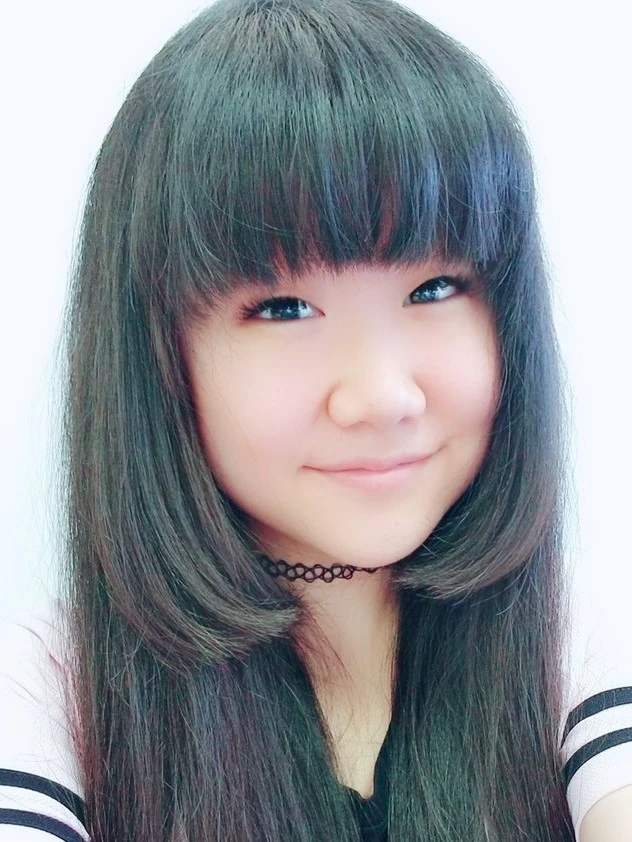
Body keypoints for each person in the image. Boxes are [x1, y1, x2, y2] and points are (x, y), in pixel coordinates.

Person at [1, 0, 631, 839]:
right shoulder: (52, 690)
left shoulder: (574, 634)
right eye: (285, 308)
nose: (383, 396)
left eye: (435, 288)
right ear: (158, 352)